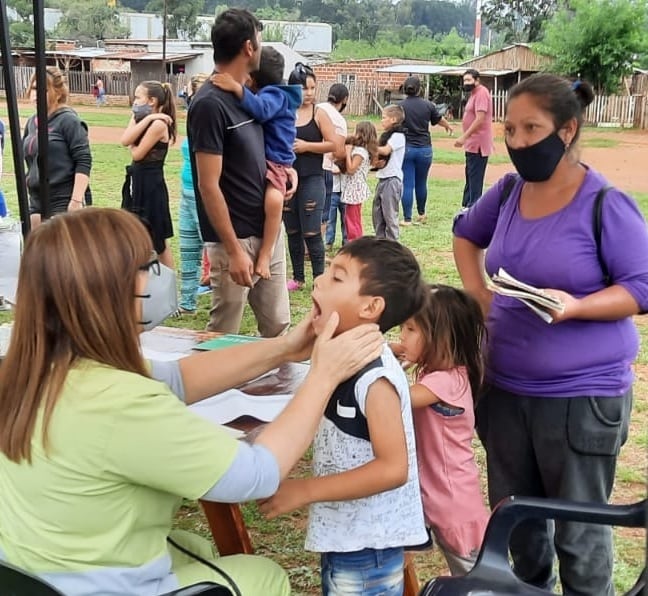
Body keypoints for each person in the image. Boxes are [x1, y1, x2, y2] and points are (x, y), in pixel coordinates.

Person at [0, 207, 385, 596]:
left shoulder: (36, 369)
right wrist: (322, 377)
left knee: (196, 548)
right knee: (262, 576)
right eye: (149, 265)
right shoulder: (122, 404)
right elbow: (255, 474)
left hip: (38, 573)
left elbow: (178, 379)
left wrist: (283, 349)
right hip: (96, 587)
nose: (160, 274)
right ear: (111, 289)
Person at [453, 73, 648, 595]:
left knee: (581, 539)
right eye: (510, 129)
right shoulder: (510, 191)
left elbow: (642, 287)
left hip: (581, 402)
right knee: (519, 531)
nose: (517, 143)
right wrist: (478, 294)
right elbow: (465, 235)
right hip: (505, 391)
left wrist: (580, 306)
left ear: (566, 131)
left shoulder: (606, 202)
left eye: (530, 129)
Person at [260, 236, 429, 596]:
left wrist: (305, 490)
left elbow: (392, 468)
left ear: (370, 308)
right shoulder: (340, 358)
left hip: (367, 549)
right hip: (348, 539)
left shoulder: (375, 377)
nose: (319, 280)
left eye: (337, 278)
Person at [187, 8, 292, 336]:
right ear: (248, 47)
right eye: (259, 41)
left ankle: (273, 387)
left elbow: (270, 144)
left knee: (277, 324)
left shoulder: (252, 95)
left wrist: (287, 171)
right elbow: (208, 185)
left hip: (268, 233)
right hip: (235, 239)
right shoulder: (209, 104)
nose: (261, 48)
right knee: (224, 329)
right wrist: (232, 250)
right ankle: (208, 386)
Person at [394, 284, 490, 576]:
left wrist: (381, 361)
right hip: (432, 493)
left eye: (410, 330)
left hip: (451, 501)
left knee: (475, 579)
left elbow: (392, 399)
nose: (401, 336)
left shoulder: (445, 383)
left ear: (440, 339)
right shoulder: (437, 373)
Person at [212, 46, 302, 280]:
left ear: (253, 79)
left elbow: (261, 111)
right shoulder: (274, 92)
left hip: (276, 161)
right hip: (267, 160)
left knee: (274, 201)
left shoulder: (275, 95)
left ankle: (266, 253)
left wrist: (236, 89)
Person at [284, 63, 339, 292]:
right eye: (303, 88)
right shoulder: (284, 112)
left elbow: (335, 144)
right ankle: (298, 278)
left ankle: (319, 279)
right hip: (287, 181)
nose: (308, 93)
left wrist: (307, 146)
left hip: (312, 179)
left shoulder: (320, 113)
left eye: (312, 88)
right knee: (292, 231)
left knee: (312, 231)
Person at [23, 67, 92, 229]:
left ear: (58, 93)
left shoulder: (68, 120)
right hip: (36, 198)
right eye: (33, 88)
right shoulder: (32, 122)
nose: (35, 94)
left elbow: (83, 160)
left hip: (63, 197)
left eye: (43, 90)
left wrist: (75, 201)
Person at [121, 80, 177, 269]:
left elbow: (136, 153)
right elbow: (125, 140)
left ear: (152, 101)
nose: (135, 101)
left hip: (152, 187)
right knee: (138, 233)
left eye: (138, 97)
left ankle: (168, 287)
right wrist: (145, 118)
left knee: (158, 240)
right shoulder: (147, 120)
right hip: (138, 183)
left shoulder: (159, 124)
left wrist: (151, 120)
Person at [399, 76, 453, 225]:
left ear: (405, 89)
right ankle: (422, 214)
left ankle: (407, 218)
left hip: (407, 149)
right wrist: (448, 126)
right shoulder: (428, 105)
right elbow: (438, 119)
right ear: (419, 89)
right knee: (421, 182)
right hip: (425, 149)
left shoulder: (400, 106)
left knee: (408, 183)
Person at [178, 73, 210, 314]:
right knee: (188, 249)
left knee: (213, 250)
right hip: (186, 191)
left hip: (203, 194)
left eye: (189, 92)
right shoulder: (191, 119)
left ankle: (223, 299)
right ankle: (187, 302)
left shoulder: (209, 121)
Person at [454, 69, 494, 209]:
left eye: (469, 80)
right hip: (472, 143)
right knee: (470, 175)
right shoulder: (473, 94)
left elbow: (480, 118)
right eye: (464, 80)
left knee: (475, 177)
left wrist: (464, 137)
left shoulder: (481, 93)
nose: (466, 83)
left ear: (477, 80)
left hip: (478, 143)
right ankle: (466, 205)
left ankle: (473, 207)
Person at [318, 83, 349, 248]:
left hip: (304, 164)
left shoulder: (316, 109)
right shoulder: (339, 120)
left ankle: (303, 246)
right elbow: (338, 152)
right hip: (325, 168)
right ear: (344, 100)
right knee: (323, 212)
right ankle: (314, 246)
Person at [372, 104, 406, 241]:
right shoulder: (387, 136)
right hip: (383, 179)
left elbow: (386, 151)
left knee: (390, 216)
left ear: (393, 119)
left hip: (392, 180)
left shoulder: (398, 136)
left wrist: (370, 144)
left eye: (384, 117)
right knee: (378, 215)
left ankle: (393, 245)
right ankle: (381, 244)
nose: (382, 120)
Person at [341, 121, 377, 241]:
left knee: (352, 220)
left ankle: (354, 242)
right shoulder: (365, 151)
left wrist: (347, 153)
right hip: (356, 187)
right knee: (353, 218)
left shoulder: (360, 152)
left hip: (354, 188)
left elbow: (351, 169)